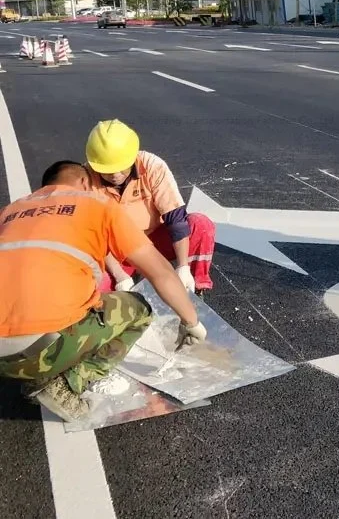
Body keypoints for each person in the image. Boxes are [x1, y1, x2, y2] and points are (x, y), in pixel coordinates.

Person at [0, 161, 207, 422]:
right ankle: (67, 381)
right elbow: (160, 272)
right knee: (138, 309)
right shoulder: (97, 205)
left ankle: (35, 368)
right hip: (42, 350)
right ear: (85, 183)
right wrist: (191, 322)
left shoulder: (10, 210)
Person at [84, 120, 215, 295]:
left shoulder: (152, 166)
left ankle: (195, 287)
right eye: (107, 170)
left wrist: (183, 267)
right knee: (90, 288)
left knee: (200, 225)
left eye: (121, 167)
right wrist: (120, 275)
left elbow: (176, 219)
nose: (115, 175)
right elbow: (95, 237)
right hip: (116, 251)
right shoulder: (85, 181)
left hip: (154, 242)